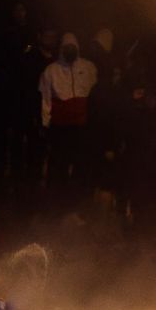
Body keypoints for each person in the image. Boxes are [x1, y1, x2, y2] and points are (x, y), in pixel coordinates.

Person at [39, 32, 97, 202]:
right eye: (67, 48)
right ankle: (58, 199)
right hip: (60, 127)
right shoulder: (51, 71)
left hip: (81, 125)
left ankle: (78, 197)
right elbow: (46, 100)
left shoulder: (88, 68)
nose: (69, 50)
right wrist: (45, 123)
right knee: (59, 163)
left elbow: (94, 95)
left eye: (72, 47)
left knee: (80, 162)